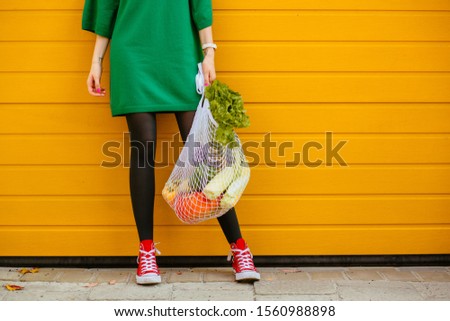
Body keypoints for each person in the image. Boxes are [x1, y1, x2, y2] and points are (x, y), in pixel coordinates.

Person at [82, 0, 260, 285]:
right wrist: (96, 62)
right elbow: (106, 9)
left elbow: (200, 5)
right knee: (143, 150)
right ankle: (146, 252)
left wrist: (209, 53)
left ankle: (239, 246)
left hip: (180, 52)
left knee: (202, 152)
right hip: (133, 56)